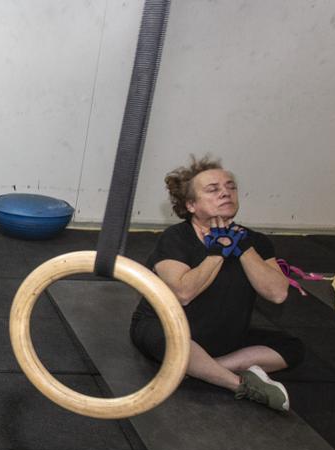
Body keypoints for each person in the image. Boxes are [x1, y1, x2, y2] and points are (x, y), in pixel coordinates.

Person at [130, 155, 304, 411]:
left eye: (230, 187)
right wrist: (217, 252)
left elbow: (277, 293)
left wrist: (242, 248)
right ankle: (238, 384)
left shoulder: (255, 241)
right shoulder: (175, 238)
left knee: (293, 348)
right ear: (190, 205)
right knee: (170, 340)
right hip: (169, 330)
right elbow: (183, 293)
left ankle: (202, 369)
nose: (225, 193)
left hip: (224, 337)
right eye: (213, 190)